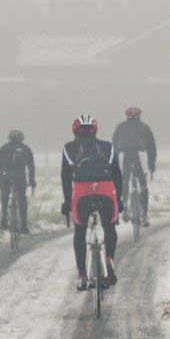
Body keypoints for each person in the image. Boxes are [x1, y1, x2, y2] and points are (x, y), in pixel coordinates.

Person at [61, 115, 124, 290]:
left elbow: (66, 179)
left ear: (75, 131)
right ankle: (109, 258)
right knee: (110, 226)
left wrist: (67, 203)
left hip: (82, 191)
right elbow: (118, 176)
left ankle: (82, 275)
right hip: (106, 189)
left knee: (80, 231)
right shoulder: (108, 147)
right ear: (95, 130)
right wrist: (118, 200)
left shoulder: (68, 148)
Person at [111, 106, 157, 226]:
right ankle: (145, 215)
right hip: (139, 155)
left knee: (124, 181)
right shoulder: (145, 127)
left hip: (123, 155)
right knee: (143, 184)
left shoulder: (120, 127)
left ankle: (125, 205)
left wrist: (113, 167)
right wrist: (151, 166)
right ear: (139, 116)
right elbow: (152, 148)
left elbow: (114, 146)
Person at [0, 129, 36, 232]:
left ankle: (4, 218)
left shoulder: (3, 149)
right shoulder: (25, 149)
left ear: (9, 138)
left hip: (6, 177)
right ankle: (23, 225)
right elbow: (31, 166)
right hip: (20, 178)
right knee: (22, 199)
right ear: (21, 139)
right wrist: (32, 181)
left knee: (4, 197)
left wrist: (0, 180)